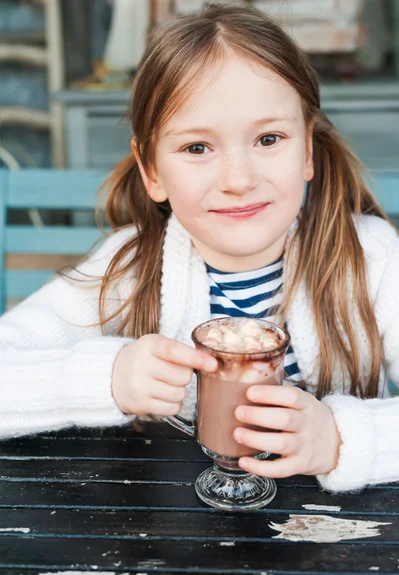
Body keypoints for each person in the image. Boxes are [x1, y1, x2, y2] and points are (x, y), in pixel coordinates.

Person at [0, 4, 398, 494]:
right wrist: (106, 377)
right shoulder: (128, 267)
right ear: (151, 171)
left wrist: (344, 439)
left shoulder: (371, 259)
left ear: (308, 151)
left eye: (268, 138)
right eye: (196, 148)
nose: (238, 180)